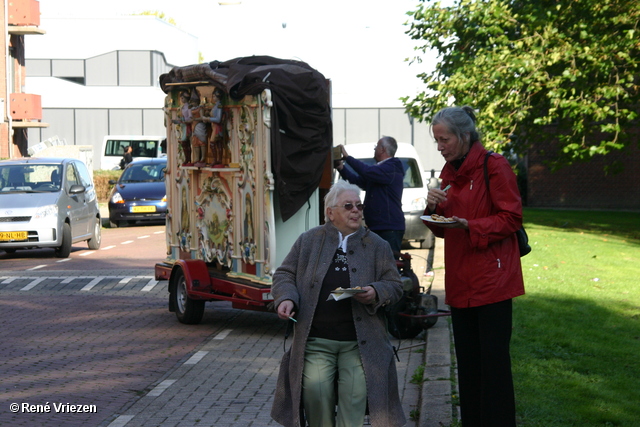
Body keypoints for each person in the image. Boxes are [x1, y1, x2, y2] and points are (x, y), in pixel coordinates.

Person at [270, 179, 406, 427]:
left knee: (354, 398)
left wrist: (375, 291)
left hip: (359, 343)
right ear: (330, 213)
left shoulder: (377, 245)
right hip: (316, 341)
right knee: (315, 392)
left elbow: (395, 285)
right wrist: (286, 297)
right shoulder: (309, 241)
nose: (356, 211)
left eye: (359, 206)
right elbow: (284, 274)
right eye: (348, 206)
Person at [423, 106, 525, 426]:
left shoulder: (494, 166)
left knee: (493, 367)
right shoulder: (448, 172)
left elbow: (511, 217)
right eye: (437, 140)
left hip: (492, 282)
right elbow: (441, 227)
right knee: (467, 367)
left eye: (444, 139)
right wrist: (432, 206)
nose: (439, 146)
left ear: (465, 136)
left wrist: (471, 226)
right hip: (460, 281)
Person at [334, 136, 405, 254]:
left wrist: (347, 158)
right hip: (379, 226)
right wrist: (341, 167)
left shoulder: (391, 167)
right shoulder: (381, 171)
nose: (374, 150)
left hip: (388, 227)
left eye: (376, 147)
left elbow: (366, 171)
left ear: (382, 149)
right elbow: (358, 181)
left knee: (388, 266)